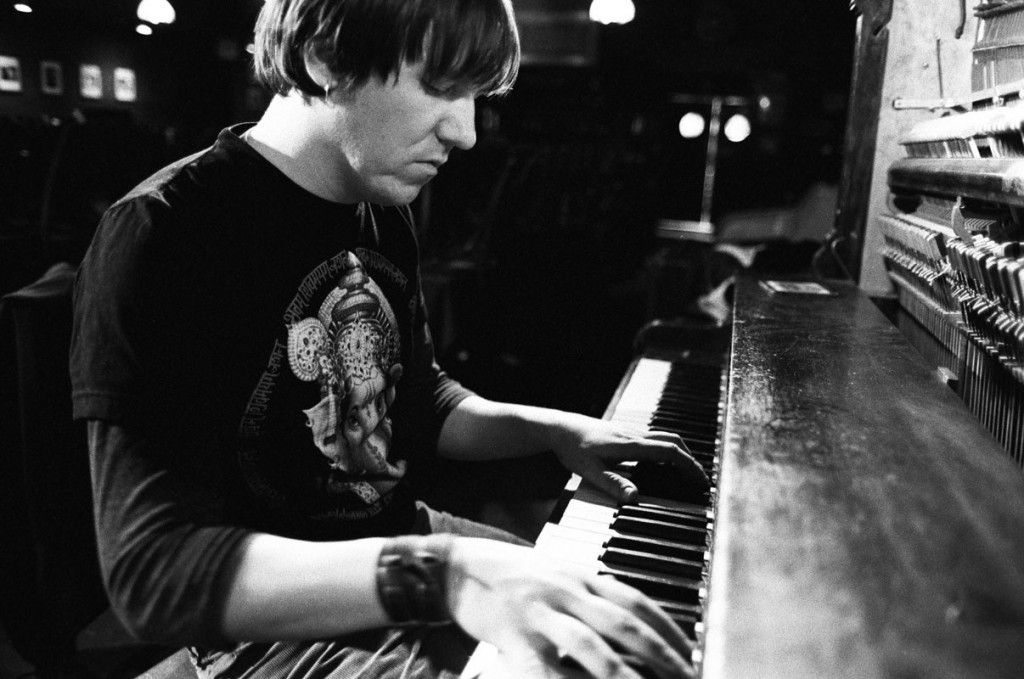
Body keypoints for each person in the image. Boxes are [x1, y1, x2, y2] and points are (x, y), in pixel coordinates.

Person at [69, 1, 709, 677]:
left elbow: (418, 397)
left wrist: (551, 430)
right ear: (326, 57)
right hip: (263, 627)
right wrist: (445, 573)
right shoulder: (167, 229)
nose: (466, 133)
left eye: (475, 95)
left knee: (619, 621)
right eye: (441, 86)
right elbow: (154, 572)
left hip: (398, 540)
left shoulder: (381, 209)